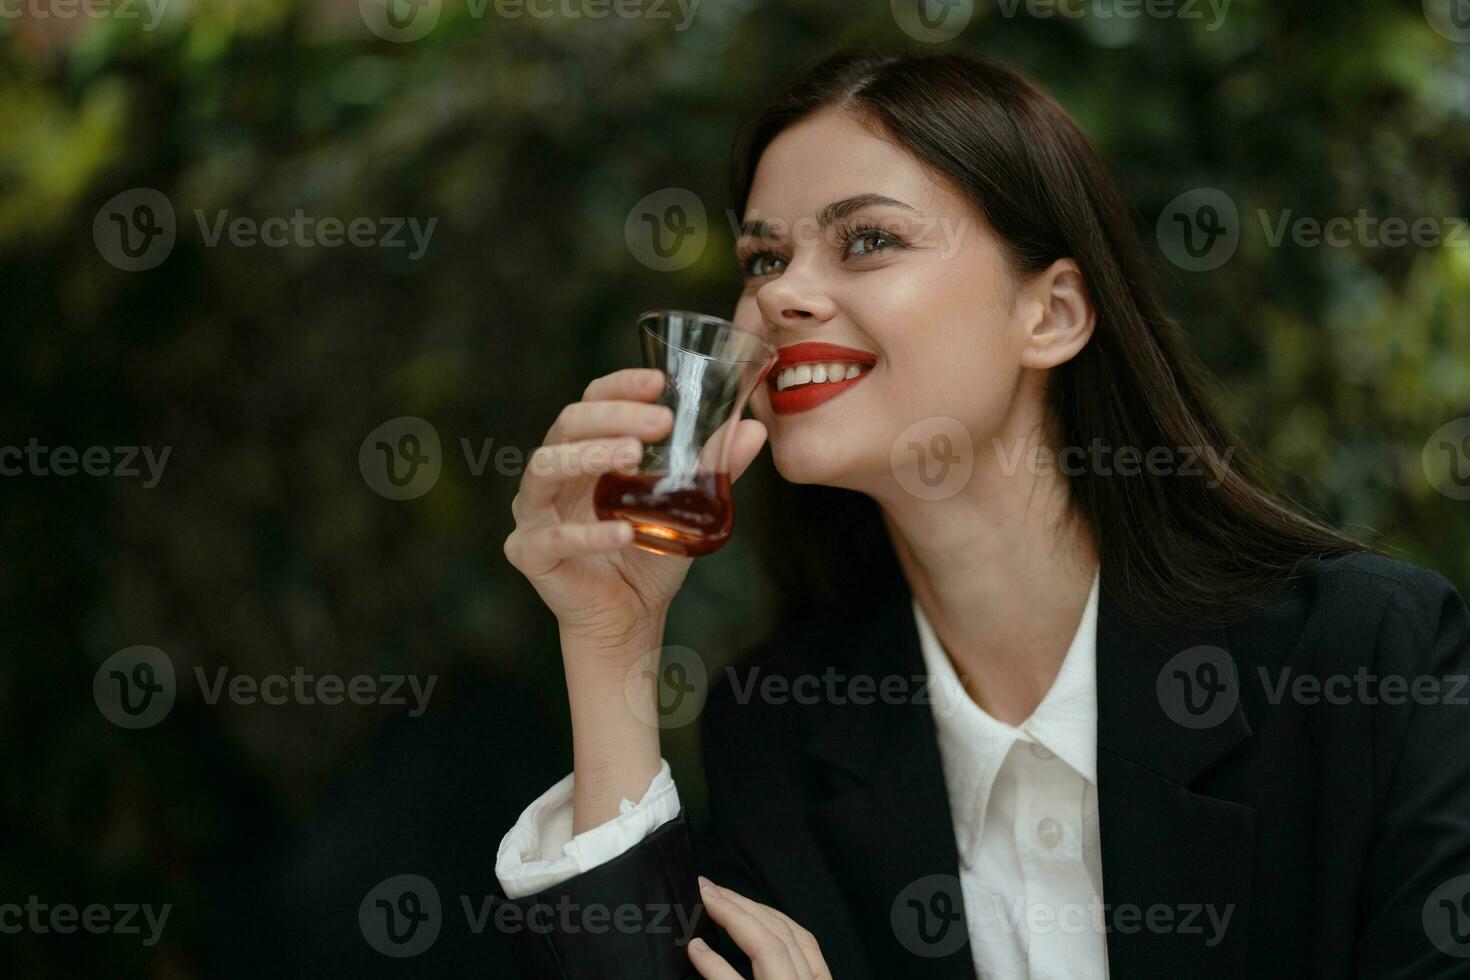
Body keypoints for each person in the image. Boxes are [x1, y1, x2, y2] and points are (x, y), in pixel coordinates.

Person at [494, 47, 1470, 979]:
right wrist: (612, 642)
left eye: (866, 239)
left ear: (1050, 314)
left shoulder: (1365, 663)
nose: (781, 294)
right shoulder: (784, 731)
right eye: (762, 257)